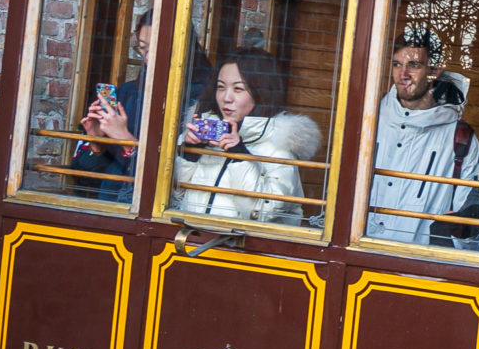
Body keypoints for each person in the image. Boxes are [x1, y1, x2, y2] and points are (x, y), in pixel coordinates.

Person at [365, 35, 479, 248]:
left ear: (434, 71)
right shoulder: (369, 121)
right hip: (360, 257)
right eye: (397, 64)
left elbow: (465, 224)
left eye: (413, 65)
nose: (403, 74)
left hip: (420, 270)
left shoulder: (460, 139)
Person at [174, 48, 322, 226]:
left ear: (260, 93)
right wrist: (190, 153)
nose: (226, 98)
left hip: (239, 250)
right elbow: (174, 198)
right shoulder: (205, 133)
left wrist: (240, 155)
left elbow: (261, 214)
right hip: (191, 243)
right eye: (221, 87)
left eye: (238, 89)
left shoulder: (279, 145)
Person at [70, 16, 154, 200]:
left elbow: (167, 180)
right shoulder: (127, 93)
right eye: (142, 48)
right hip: (106, 205)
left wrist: (126, 140)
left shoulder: (190, 100)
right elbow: (82, 180)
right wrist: (97, 143)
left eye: (154, 48)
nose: (147, 57)